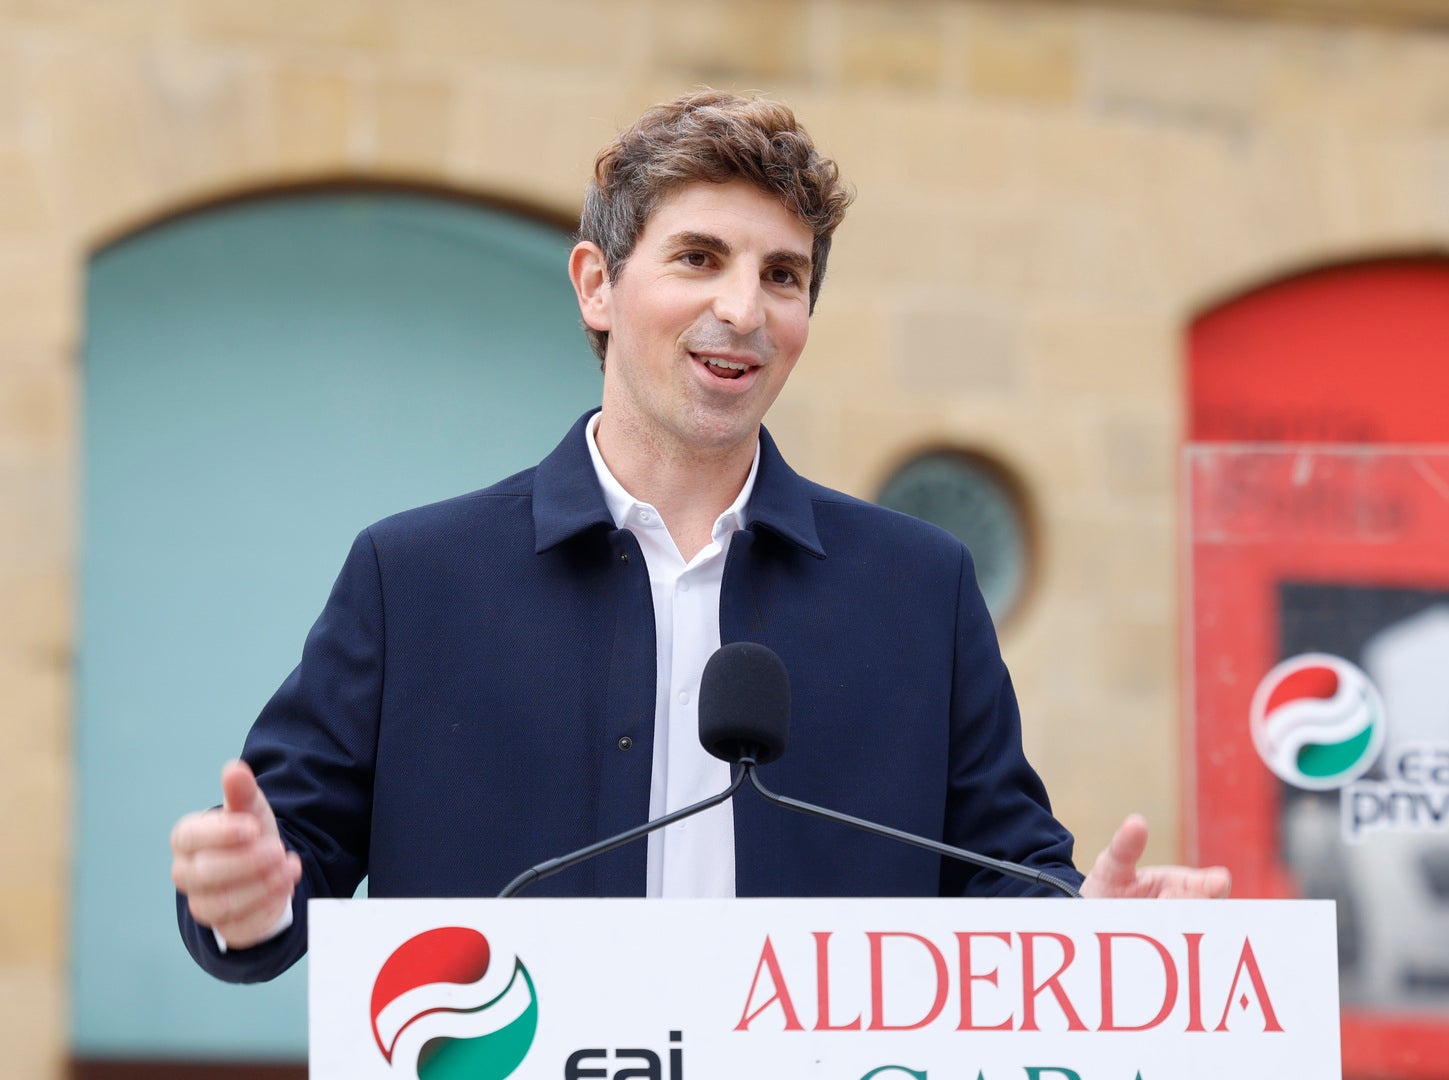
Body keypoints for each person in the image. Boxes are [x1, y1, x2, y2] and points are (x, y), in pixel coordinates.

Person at [170, 90, 1229, 984]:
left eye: (782, 275)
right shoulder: (414, 581)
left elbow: (1002, 872)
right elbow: (284, 863)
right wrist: (244, 894)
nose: (744, 309)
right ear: (597, 285)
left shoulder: (920, 591)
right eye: (699, 257)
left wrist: (1091, 928)